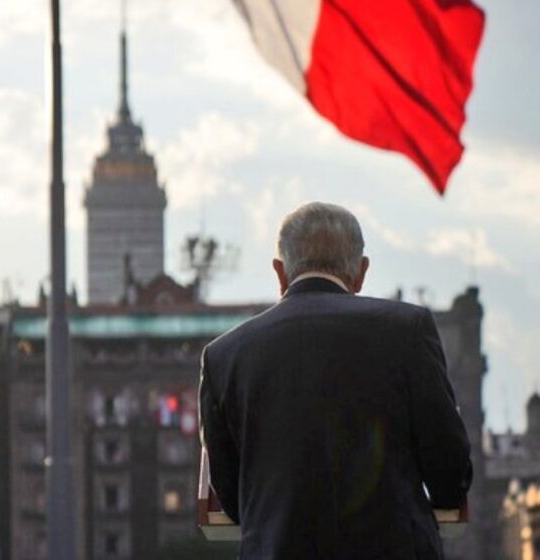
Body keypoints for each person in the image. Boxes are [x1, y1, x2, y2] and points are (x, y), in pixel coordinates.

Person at [199, 202, 472, 559]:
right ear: (361, 271)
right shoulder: (408, 330)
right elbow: (449, 473)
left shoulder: (223, 356)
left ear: (280, 273)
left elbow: (234, 500)